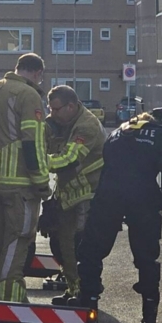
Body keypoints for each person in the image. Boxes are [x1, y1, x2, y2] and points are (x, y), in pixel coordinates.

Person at [77, 106, 162, 323]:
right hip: (143, 198)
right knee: (146, 257)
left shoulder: (119, 132)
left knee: (91, 252)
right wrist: (161, 200)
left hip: (108, 196)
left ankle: (89, 308)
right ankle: (149, 316)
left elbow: (107, 162)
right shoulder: (160, 135)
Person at [0, 53, 50, 303]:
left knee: (1, 241)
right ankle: (8, 299)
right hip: (21, 186)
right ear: (37, 73)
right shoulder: (29, 95)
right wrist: (41, 182)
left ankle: (7, 294)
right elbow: (32, 142)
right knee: (18, 241)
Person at [44, 85, 106, 306]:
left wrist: (35, 163)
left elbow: (68, 160)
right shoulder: (64, 122)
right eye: (49, 109)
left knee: (81, 248)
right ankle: (73, 291)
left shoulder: (86, 126)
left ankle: (86, 295)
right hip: (68, 196)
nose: (52, 114)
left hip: (86, 197)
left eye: (56, 109)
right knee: (61, 245)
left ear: (71, 106)